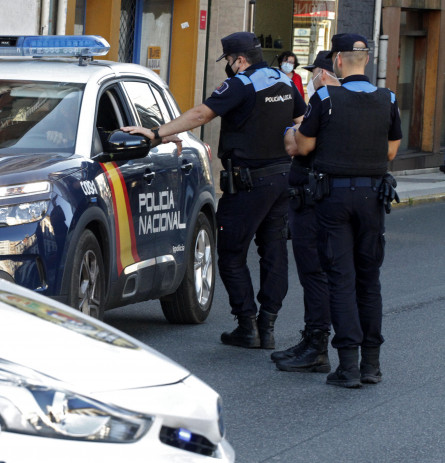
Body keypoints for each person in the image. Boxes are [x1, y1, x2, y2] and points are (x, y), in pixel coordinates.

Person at [123, 32, 306, 350]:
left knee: (232, 254)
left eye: (229, 61)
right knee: (273, 252)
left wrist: (156, 133)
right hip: (281, 179)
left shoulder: (241, 84)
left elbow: (201, 114)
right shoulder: (283, 80)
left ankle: (247, 325)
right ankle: (268, 326)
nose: (229, 67)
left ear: (239, 59)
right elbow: (302, 119)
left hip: (248, 182)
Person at [290, 33, 402, 388]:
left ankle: (348, 367)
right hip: (373, 198)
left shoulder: (324, 96)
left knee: (341, 279)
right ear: (366, 59)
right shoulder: (388, 98)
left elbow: (305, 145)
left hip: (334, 198)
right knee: (369, 281)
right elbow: (390, 152)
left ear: (337, 61)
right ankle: (372, 365)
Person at [273, 51, 339, 373]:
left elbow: (295, 145)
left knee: (314, 274)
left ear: (323, 73)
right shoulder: (350, 103)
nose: (311, 77)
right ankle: (313, 340)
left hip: (312, 202)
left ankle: (316, 347)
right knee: (322, 274)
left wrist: (288, 130)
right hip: (326, 201)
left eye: (314, 71)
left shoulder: (323, 102)